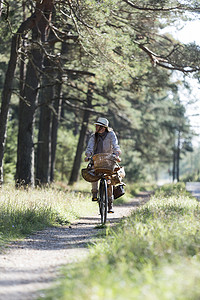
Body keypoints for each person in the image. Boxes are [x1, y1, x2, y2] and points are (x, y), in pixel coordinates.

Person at [85, 117, 121, 213]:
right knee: (93, 173)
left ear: (103, 128)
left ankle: (110, 203)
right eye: (96, 125)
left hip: (108, 160)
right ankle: (95, 193)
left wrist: (117, 153)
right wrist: (88, 155)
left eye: (98, 126)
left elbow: (115, 145)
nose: (96, 127)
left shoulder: (111, 134)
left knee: (110, 179)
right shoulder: (94, 136)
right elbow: (90, 148)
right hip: (96, 159)